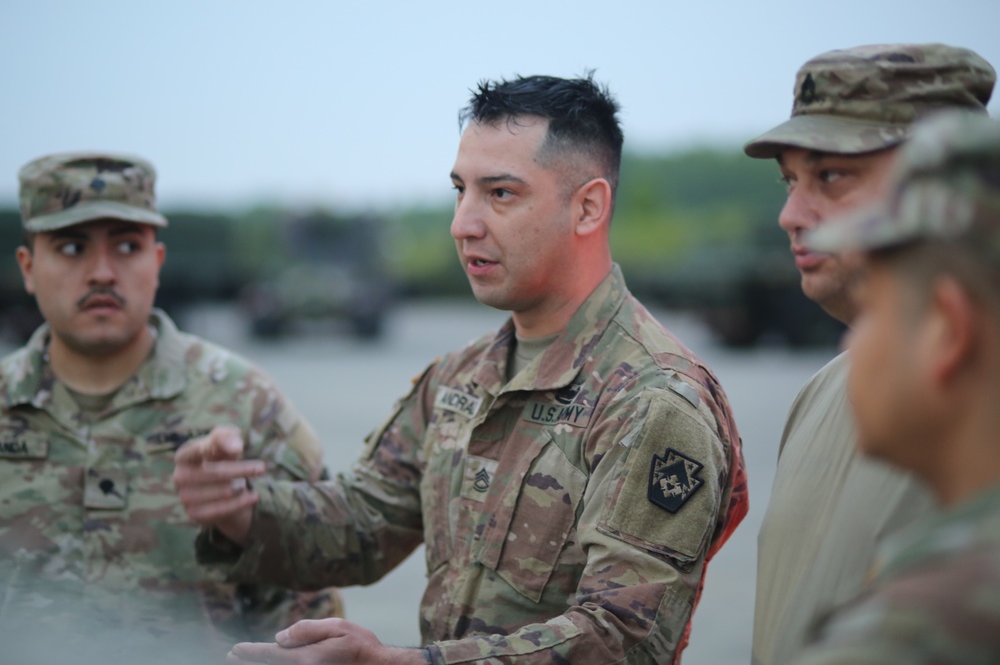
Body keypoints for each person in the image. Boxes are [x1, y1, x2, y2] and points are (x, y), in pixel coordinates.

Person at [174, 73, 749, 665]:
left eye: (500, 194)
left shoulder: (653, 399)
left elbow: (622, 638)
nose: (462, 224)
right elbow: (364, 524)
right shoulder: (460, 377)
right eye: (460, 191)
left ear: (587, 207)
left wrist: (404, 664)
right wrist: (242, 510)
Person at [0, 152, 343, 663]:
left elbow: (304, 610)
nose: (101, 273)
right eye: (71, 248)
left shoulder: (247, 403)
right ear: (28, 268)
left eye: (126, 246)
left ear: (156, 262)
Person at [742, 43, 996, 665]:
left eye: (831, 175)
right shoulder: (823, 392)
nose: (790, 215)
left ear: (944, 181)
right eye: (790, 181)